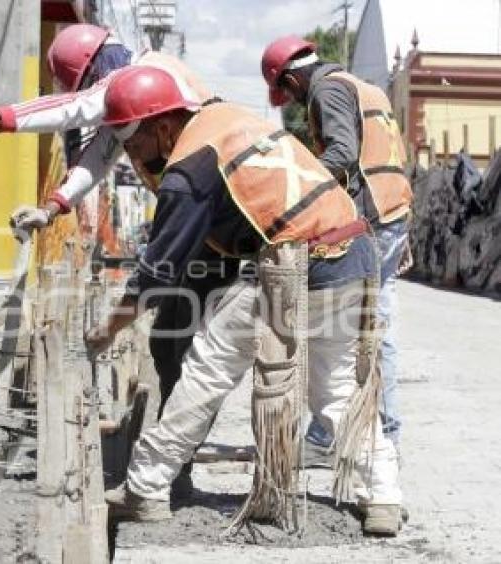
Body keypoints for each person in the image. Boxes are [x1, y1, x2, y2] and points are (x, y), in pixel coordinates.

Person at [84, 66, 403, 535]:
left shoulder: (187, 170)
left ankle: (145, 488)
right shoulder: (227, 118)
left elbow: (156, 274)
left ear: (164, 127)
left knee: (207, 369)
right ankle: (383, 497)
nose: (130, 154)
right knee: (335, 388)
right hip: (351, 251)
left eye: (133, 141)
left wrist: (107, 328)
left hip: (295, 260)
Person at [0, 24, 238, 497]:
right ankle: (171, 465)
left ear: (90, 71)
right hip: (204, 223)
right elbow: (97, 156)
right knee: (171, 344)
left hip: (208, 217)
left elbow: (75, 108)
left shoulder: (140, 75)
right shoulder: (134, 99)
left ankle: (170, 468)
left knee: (188, 346)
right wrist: (53, 206)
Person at [261, 36, 413, 451]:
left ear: (292, 78)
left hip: (371, 219)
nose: (291, 101)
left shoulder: (327, 91)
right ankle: (329, 432)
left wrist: (299, 191)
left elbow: (343, 153)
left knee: (361, 330)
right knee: (367, 326)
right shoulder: (364, 87)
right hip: (391, 212)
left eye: (287, 93)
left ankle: (380, 436)